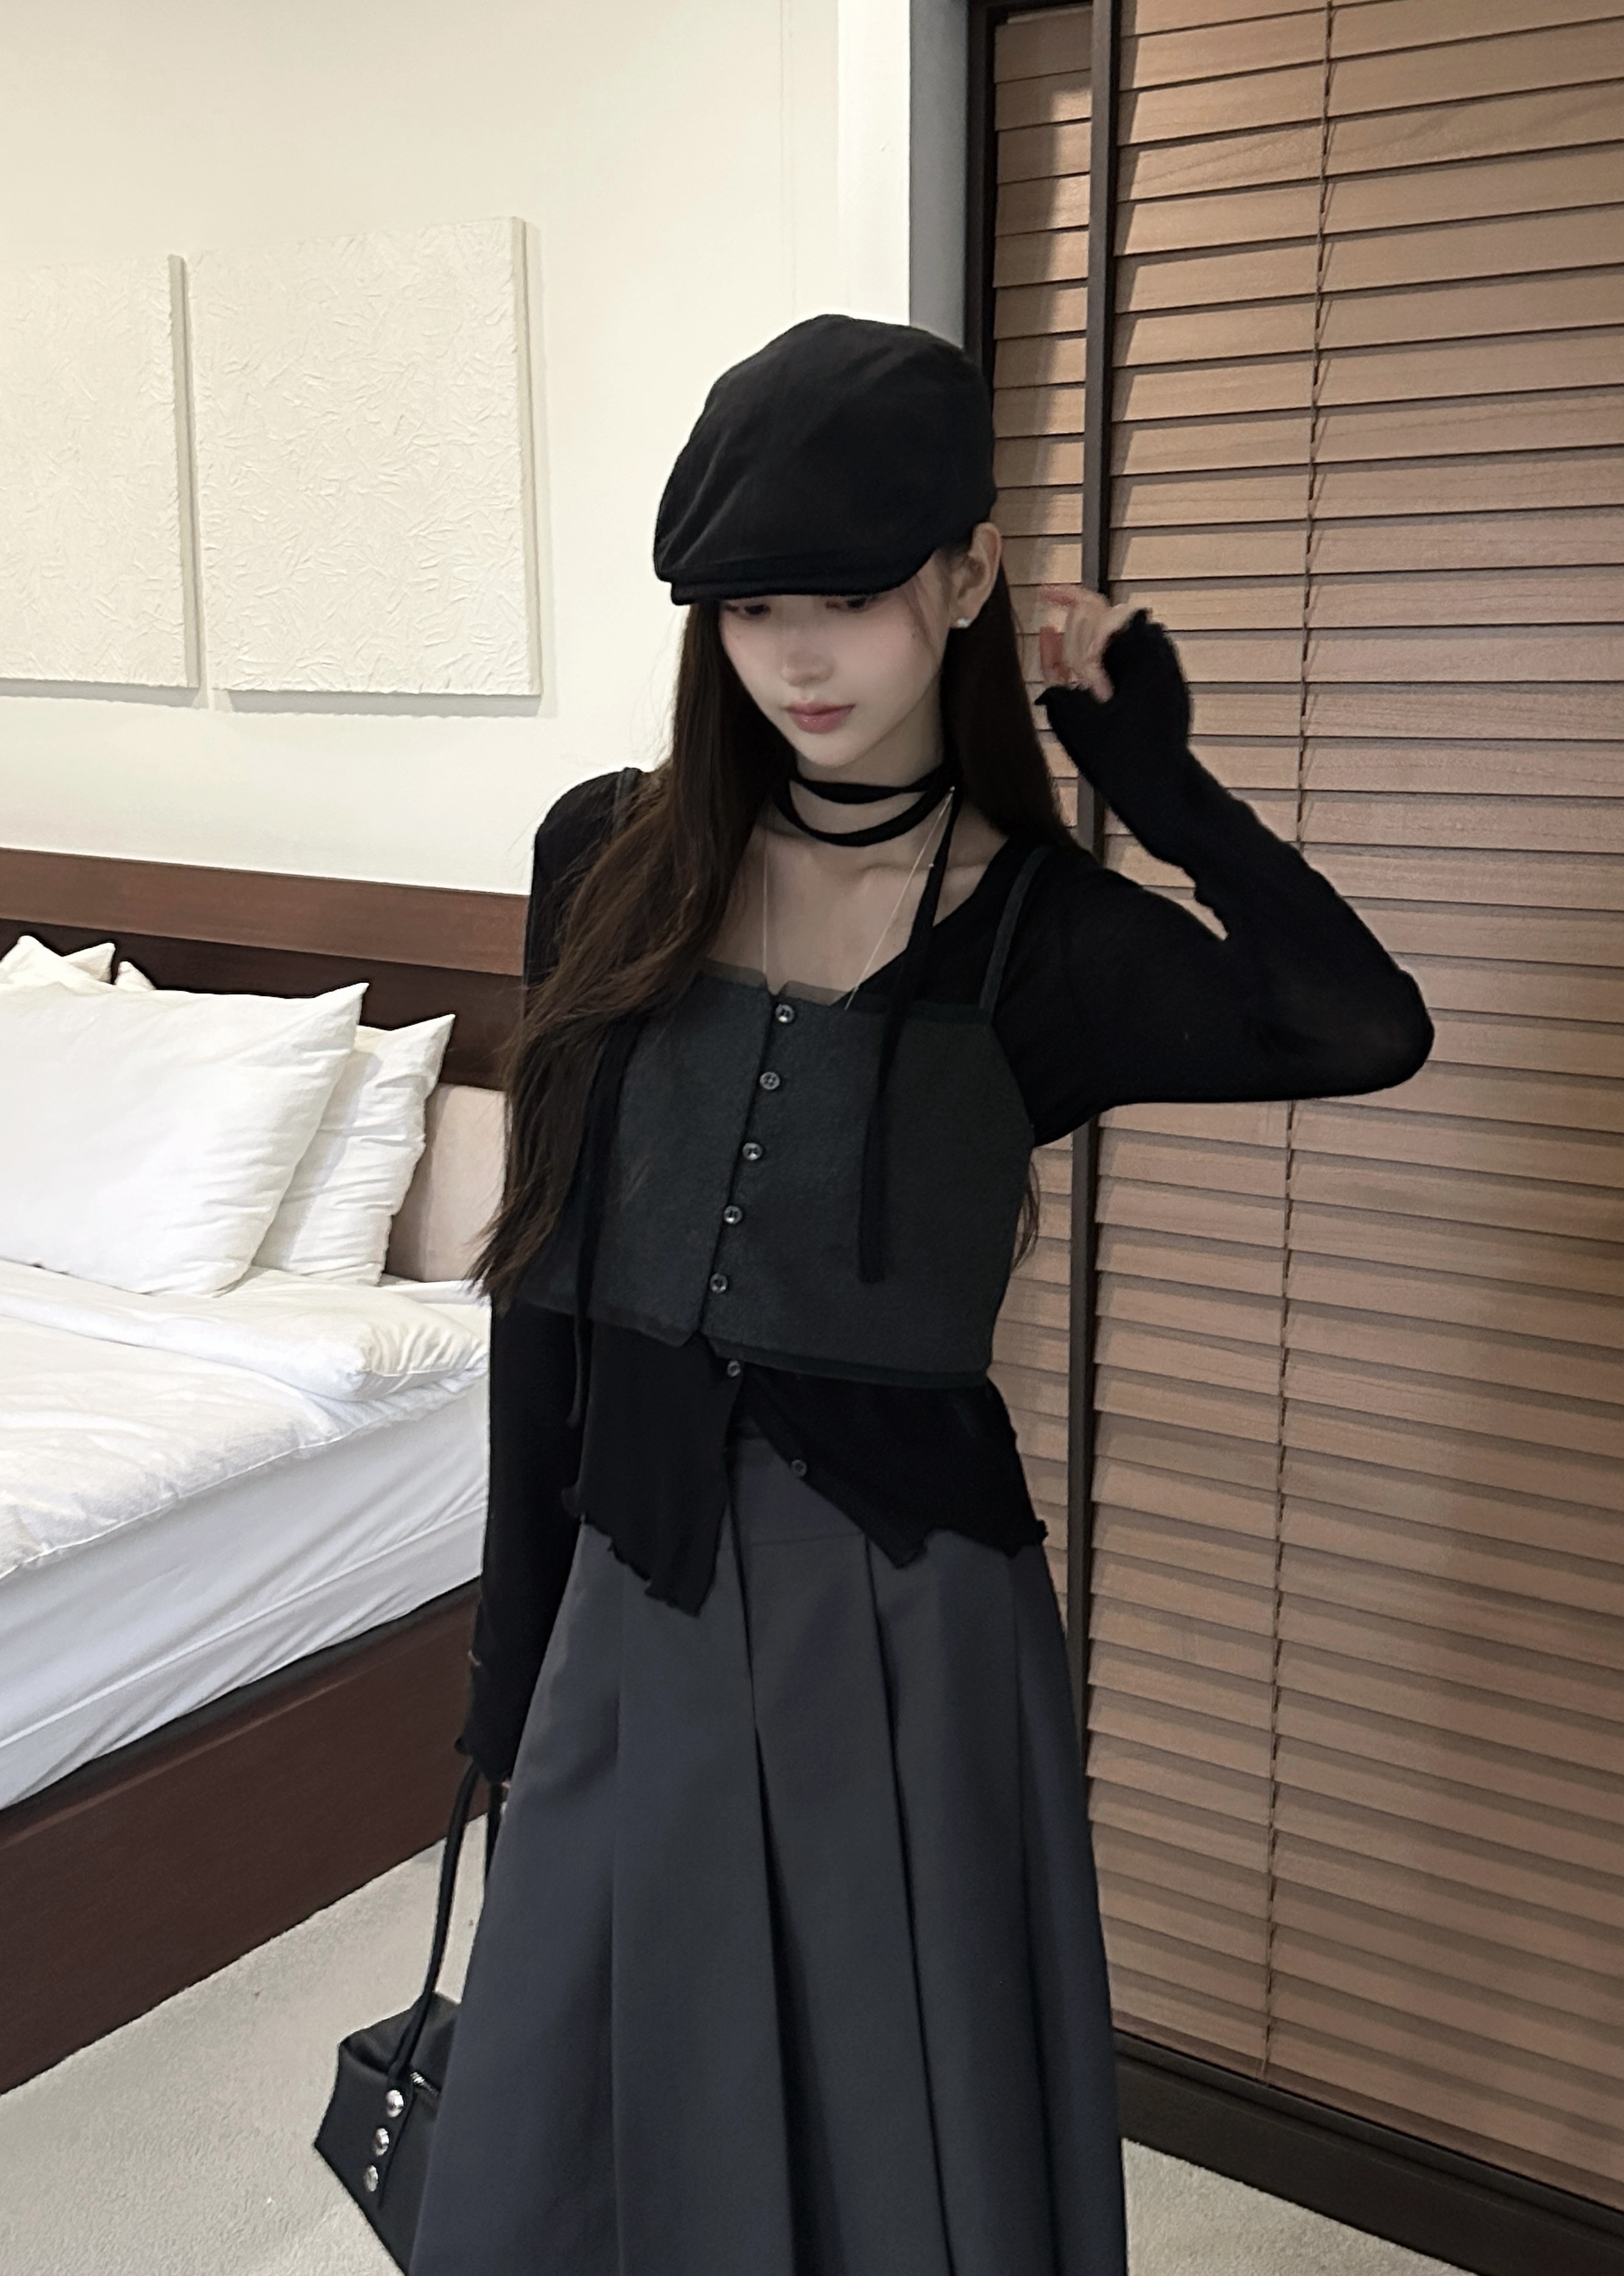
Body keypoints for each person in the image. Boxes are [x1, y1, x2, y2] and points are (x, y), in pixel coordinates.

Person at [409, 314, 1432, 2276]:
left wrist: (1162, 787)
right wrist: (511, 1645)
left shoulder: (1046, 936)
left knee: (895, 2117)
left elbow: (1359, 1026)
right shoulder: (607, 854)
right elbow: (543, 1276)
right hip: (637, 1578)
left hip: (909, 1619)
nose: (800, 659)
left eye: (854, 600)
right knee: (579, 2105)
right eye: (753, 609)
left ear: (968, 579)